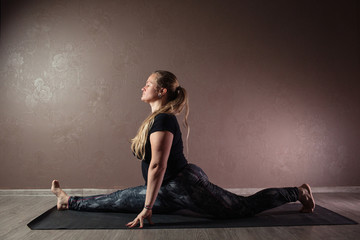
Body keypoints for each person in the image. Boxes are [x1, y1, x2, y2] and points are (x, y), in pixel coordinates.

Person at [51, 70, 315, 228]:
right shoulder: (155, 119)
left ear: (162, 91)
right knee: (119, 200)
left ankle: (298, 192)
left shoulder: (164, 120)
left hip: (185, 185)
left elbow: (158, 165)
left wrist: (148, 207)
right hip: (167, 190)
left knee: (242, 207)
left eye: (149, 83)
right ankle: (67, 200)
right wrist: (149, 202)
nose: (143, 87)